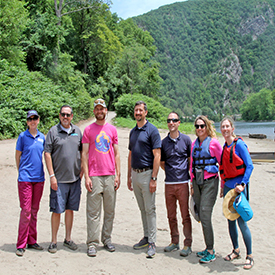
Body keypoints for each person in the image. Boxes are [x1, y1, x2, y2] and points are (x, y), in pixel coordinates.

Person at [82, 98, 121, 257]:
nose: (99, 111)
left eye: (102, 108)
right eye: (97, 109)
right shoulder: (88, 130)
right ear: (94, 111)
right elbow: (83, 154)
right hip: (94, 175)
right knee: (93, 212)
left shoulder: (112, 130)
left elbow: (117, 153)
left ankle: (107, 239)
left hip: (110, 175)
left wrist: (118, 175)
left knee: (110, 211)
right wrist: (86, 176)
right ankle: (92, 243)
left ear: (106, 110)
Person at [44, 105, 82, 253]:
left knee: (70, 209)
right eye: (63, 115)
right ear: (59, 116)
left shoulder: (77, 131)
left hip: (74, 179)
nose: (65, 117)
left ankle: (67, 238)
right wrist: (52, 176)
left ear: (72, 116)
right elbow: (47, 154)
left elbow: (82, 152)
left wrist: (82, 171)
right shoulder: (53, 132)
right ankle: (53, 241)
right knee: (56, 210)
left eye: (68, 115)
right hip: (58, 180)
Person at [127, 101, 161, 258]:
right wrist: (128, 175)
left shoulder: (152, 130)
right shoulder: (133, 131)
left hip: (147, 174)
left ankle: (153, 242)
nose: (138, 113)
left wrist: (154, 178)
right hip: (135, 173)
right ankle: (146, 237)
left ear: (146, 112)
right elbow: (130, 154)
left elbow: (157, 155)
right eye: (136, 110)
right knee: (142, 209)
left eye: (141, 110)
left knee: (150, 209)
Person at [219, 117, 254, 270]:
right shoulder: (224, 147)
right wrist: (222, 187)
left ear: (232, 128)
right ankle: (236, 250)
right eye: (223, 127)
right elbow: (223, 169)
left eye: (227, 126)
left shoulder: (239, 144)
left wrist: (242, 184)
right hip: (228, 187)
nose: (225, 129)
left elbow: (250, 166)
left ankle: (250, 255)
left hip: (239, 188)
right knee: (230, 220)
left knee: (241, 221)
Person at [190, 115, 222, 263]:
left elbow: (222, 164)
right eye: (197, 126)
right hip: (197, 182)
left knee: (204, 213)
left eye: (202, 126)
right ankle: (207, 247)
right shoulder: (193, 144)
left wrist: (223, 185)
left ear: (207, 127)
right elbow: (191, 165)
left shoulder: (214, 144)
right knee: (200, 215)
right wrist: (191, 183)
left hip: (210, 182)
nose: (199, 129)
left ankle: (210, 250)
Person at [160, 112, 192, 256]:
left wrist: (186, 175)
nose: (171, 123)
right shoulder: (163, 142)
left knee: (185, 215)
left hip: (183, 183)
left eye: (174, 120)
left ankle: (187, 243)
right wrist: (171, 171)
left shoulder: (186, 140)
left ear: (179, 122)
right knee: (171, 215)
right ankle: (174, 241)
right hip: (169, 183)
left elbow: (190, 160)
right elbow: (162, 162)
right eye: (169, 120)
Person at [15, 110, 45, 256]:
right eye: (30, 119)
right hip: (25, 179)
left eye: (35, 118)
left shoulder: (42, 137)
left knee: (34, 211)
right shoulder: (22, 136)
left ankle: (32, 240)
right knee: (26, 211)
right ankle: (21, 243)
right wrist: (21, 172)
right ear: (27, 122)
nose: (33, 121)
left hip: (39, 179)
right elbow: (18, 156)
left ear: (38, 120)